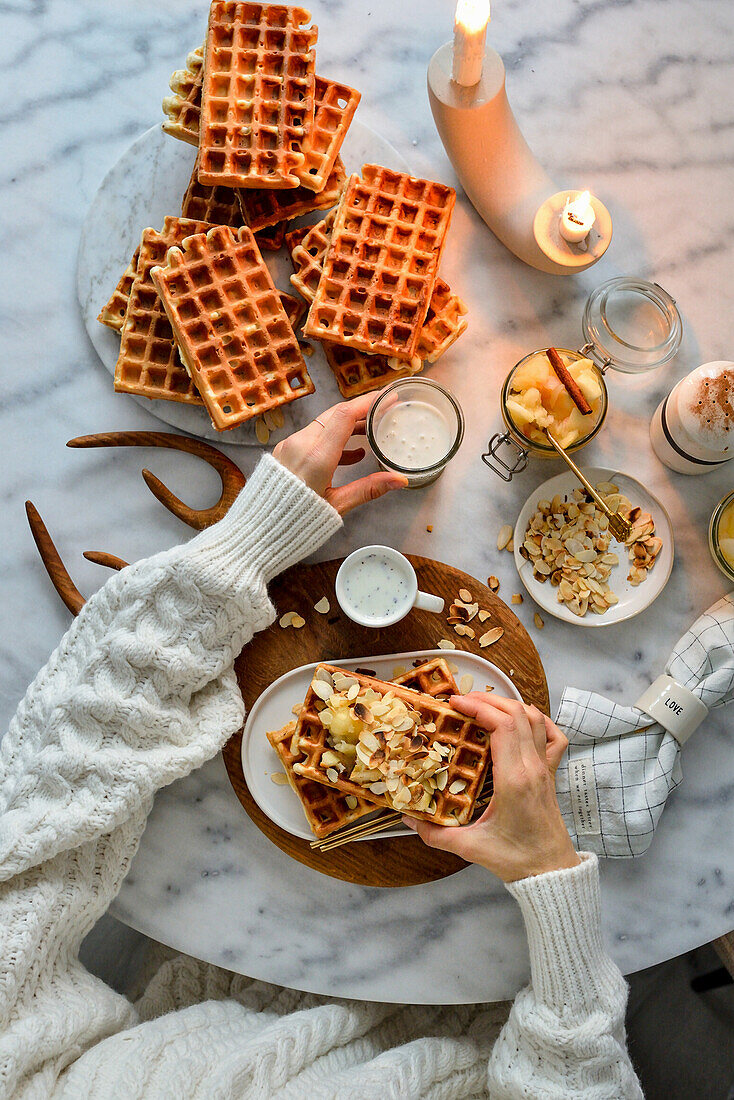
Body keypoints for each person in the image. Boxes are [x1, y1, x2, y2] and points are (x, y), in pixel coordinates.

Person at [0, 394, 644, 1098]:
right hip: (498, 996)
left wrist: (246, 547)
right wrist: (548, 873)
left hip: (223, 972)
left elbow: (48, 821)